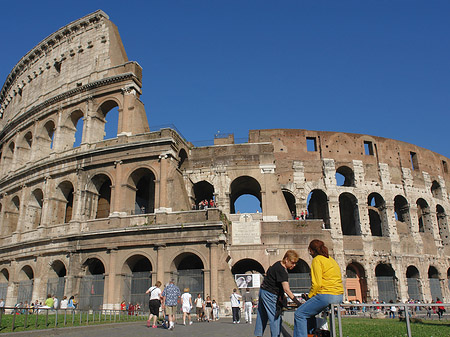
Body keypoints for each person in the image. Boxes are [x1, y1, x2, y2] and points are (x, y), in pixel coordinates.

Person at [293, 240, 344, 337]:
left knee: (299, 314)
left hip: (326, 295)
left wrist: (310, 296)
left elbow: (317, 284)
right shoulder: (331, 260)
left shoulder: (317, 260)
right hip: (339, 296)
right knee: (310, 313)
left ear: (311, 251)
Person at [254, 250, 302, 337]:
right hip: (270, 294)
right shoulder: (282, 271)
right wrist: (298, 302)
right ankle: (276, 335)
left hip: (263, 290)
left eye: (295, 263)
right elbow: (287, 289)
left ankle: (258, 334)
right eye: (292, 262)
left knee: (262, 315)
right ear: (286, 259)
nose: (294, 265)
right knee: (275, 317)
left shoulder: (277, 264)